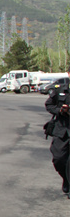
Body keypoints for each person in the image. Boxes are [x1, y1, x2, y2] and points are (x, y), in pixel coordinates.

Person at [44, 64, 69, 196]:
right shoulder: (60, 90)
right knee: (59, 159)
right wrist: (60, 110)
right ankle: (66, 178)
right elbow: (49, 105)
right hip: (63, 129)